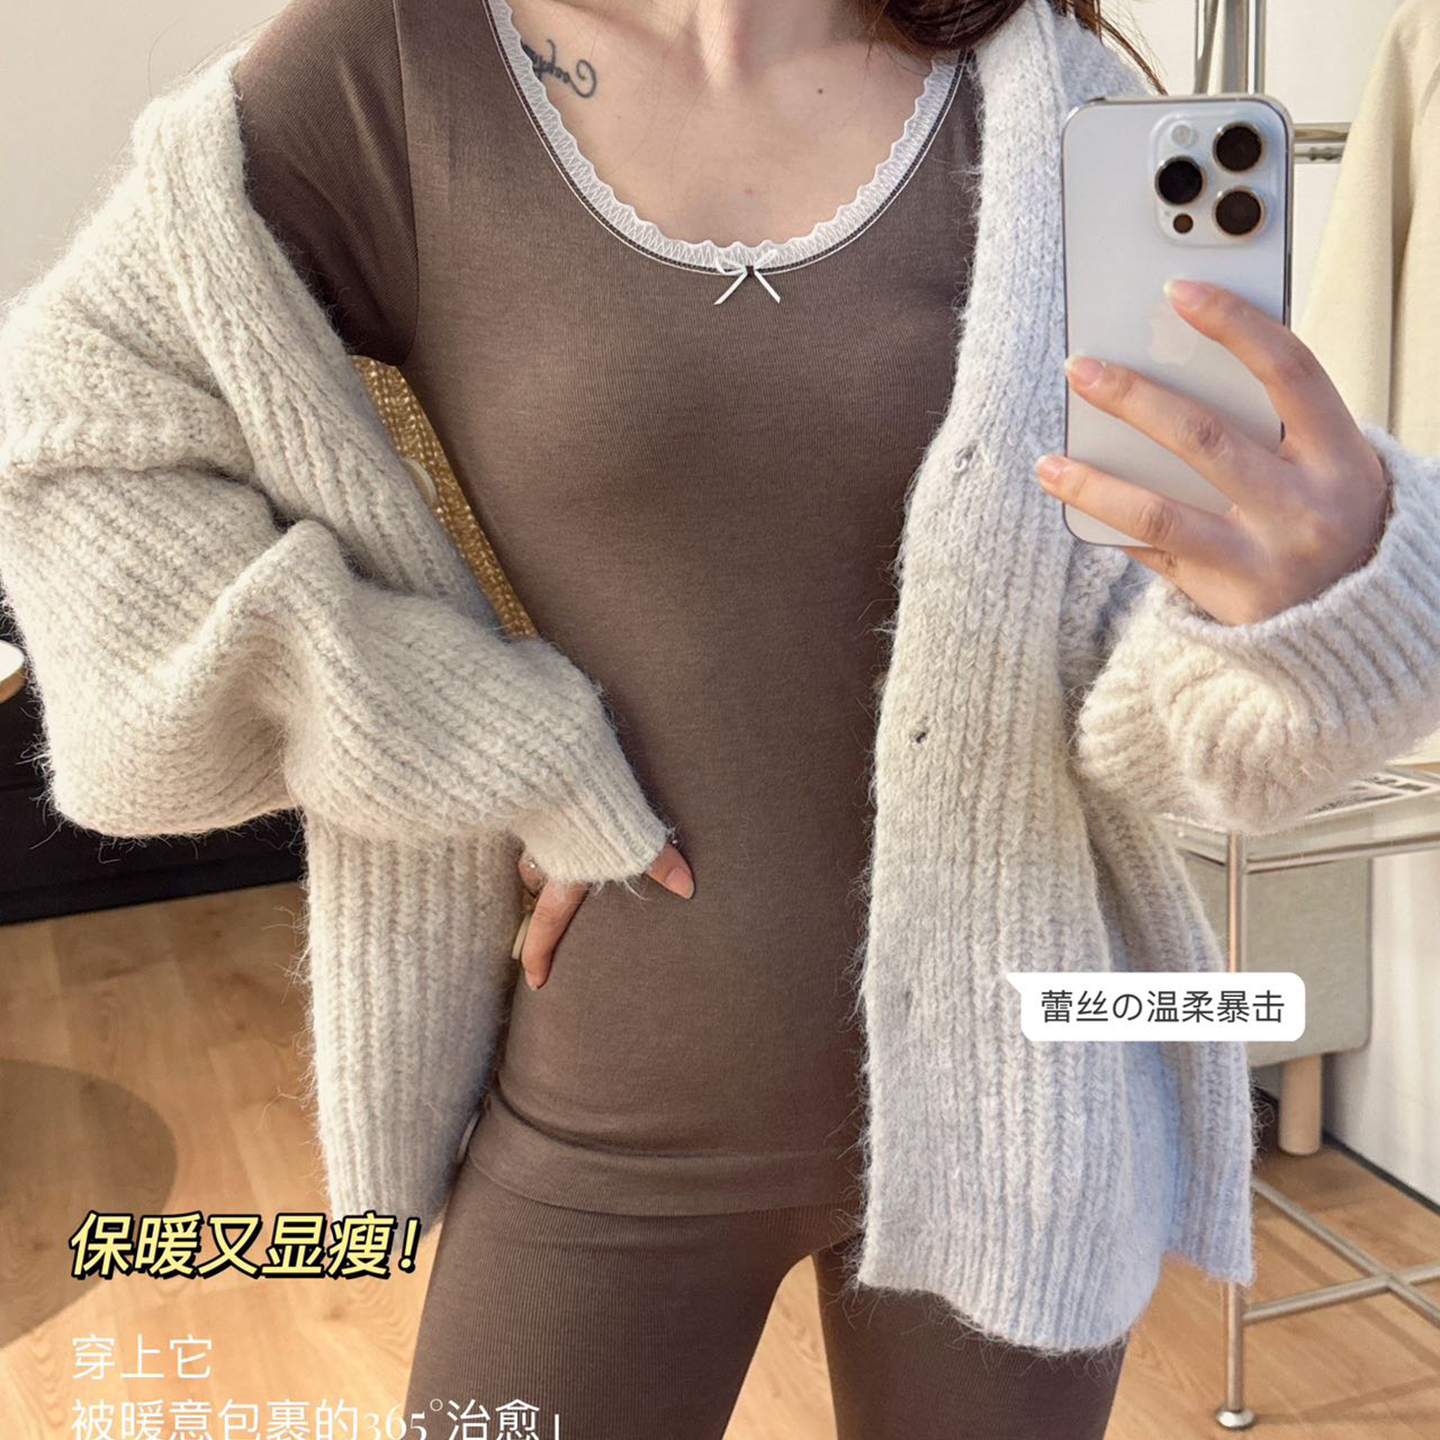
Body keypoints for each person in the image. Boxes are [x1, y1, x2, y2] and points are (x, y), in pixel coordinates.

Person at [3, 2, 1435, 1437]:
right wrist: (458, 732)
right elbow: (65, 443)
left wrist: (1316, 611)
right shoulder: (393, 62)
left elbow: (1142, 717)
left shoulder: (1058, 96)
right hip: (611, 1099)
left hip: (1030, 1112)